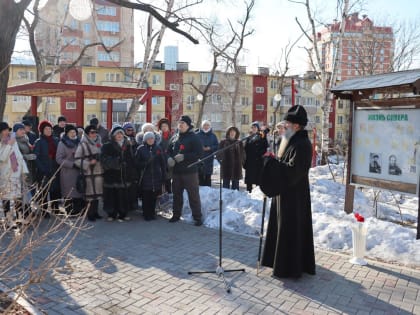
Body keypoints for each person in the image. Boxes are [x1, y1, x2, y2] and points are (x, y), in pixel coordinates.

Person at [260, 105, 316, 279]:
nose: (284, 127)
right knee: (281, 228)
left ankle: (289, 267)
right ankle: (278, 261)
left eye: (287, 124)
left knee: (290, 229)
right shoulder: (290, 140)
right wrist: (273, 161)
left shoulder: (303, 144)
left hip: (295, 196)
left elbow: (294, 171)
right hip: (284, 192)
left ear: (297, 126)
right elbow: (283, 165)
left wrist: (272, 163)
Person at [167, 115, 203, 226]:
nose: (181, 125)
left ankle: (197, 217)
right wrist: (169, 158)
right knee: (177, 195)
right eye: (180, 123)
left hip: (190, 172)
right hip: (177, 172)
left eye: (183, 123)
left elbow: (199, 153)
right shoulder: (174, 137)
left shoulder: (194, 137)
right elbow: (168, 151)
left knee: (193, 195)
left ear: (188, 125)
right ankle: (176, 215)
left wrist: (185, 157)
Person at [101, 125, 136, 222]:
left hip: (124, 175)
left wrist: (130, 170)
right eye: (117, 133)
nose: (119, 135)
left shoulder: (128, 145)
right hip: (111, 175)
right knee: (111, 196)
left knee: (123, 196)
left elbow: (131, 160)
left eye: (121, 133)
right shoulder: (107, 146)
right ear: (113, 135)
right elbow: (103, 160)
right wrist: (116, 161)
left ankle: (123, 214)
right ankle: (111, 214)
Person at [0, 122, 29, 223]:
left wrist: (24, 171)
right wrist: (8, 145)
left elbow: (19, 157)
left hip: (16, 173)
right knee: (6, 198)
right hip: (6, 174)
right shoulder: (3, 143)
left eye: (8, 130)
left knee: (17, 197)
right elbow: (2, 158)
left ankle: (19, 218)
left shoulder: (13, 141)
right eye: (5, 130)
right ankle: (8, 220)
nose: (7, 132)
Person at [74, 125, 104, 221]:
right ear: (87, 134)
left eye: (95, 132)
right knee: (89, 196)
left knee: (97, 194)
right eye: (92, 132)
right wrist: (88, 163)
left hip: (98, 172)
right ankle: (90, 214)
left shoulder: (99, 143)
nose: (94, 134)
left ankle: (95, 213)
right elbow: (77, 160)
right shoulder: (82, 144)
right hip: (89, 174)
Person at [135, 131, 166, 220]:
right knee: (146, 196)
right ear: (145, 139)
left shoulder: (158, 148)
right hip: (145, 176)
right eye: (148, 138)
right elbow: (136, 163)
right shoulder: (140, 149)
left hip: (156, 176)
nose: (150, 140)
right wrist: (144, 163)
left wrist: (164, 176)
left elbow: (163, 163)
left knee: (154, 196)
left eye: (152, 138)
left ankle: (152, 213)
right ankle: (146, 214)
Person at [33, 120, 61, 215]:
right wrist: (43, 169)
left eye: (50, 128)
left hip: (54, 168)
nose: (49, 130)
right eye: (46, 129)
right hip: (43, 170)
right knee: (43, 191)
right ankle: (44, 210)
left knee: (55, 189)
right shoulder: (39, 142)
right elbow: (36, 157)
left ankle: (55, 208)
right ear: (42, 130)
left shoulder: (56, 140)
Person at [56, 124, 84, 215]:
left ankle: (78, 210)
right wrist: (72, 164)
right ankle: (69, 211)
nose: (73, 134)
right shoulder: (62, 143)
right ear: (66, 133)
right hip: (67, 172)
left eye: (74, 132)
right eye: (70, 132)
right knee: (69, 192)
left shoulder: (79, 142)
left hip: (78, 171)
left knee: (78, 191)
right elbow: (59, 159)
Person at [243, 121, 268, 192]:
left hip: (258, 161)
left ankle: (257, 194)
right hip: (249, 161)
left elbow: (265, 147)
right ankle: (249, 192)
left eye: (255, 127)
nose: (253, 129)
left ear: (258, 128)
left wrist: (259, 154)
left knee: (257, 180)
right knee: (249, 180)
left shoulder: (262, 136)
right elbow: (245, 149)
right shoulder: (249, 137)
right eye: (252, 127)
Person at [217, 126, 244, 190]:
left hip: (236, 168)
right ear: (228, 133)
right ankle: (225, 199)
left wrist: (241, 162)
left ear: (236, 133)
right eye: (231, 132)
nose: (232, 133)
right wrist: (221, 161)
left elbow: (243, 154)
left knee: (235, 189)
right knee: (225, 188)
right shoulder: (223, 142)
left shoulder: (239, 143)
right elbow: (218, 154)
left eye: (234, 132)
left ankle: (235, 199)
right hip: (226, 167)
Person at [196, 120, 218, 186]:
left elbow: (216, 146)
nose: (206, 126)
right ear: (202, 126)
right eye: (204, 125)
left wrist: (210, 148)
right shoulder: (197, 135)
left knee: (208, 177)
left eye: (207, 125)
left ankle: (208, 191)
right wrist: (200, 148)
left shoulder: (213, 136)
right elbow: (194, 145)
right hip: (199, 158)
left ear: (210, 126)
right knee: (200, 176)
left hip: (209, 158)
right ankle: (201, 193)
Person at [157, 117, 173, 193]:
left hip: (169, 161)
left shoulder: (173, 136)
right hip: (160, 160)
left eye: (165, 126)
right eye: (162, 126)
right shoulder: (157, 137)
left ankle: (169, 194)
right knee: (160, 181)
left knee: (168, 180)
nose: (164, 128)